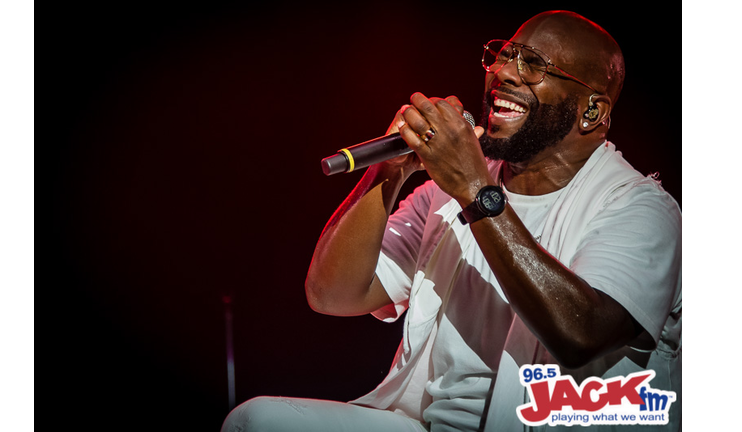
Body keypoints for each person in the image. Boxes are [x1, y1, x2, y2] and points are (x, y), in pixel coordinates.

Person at [221, 10, 681, 432]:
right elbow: (332, 295)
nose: (503, 73)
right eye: (503, 56)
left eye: (533, 65)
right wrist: (389, 173)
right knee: (255, 421)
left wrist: (474, 190)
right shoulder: (445, 192)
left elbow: (582, 333)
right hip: (423, 424)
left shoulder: (639, 208)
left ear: (592, 111)